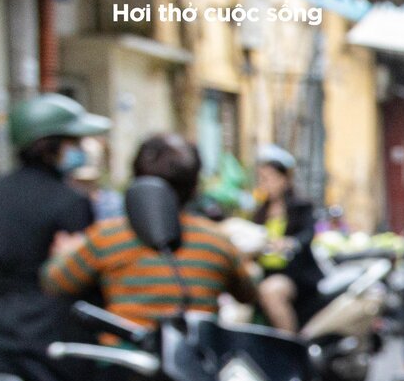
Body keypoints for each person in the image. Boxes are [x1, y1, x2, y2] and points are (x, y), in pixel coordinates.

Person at [43, 133, 257, 332]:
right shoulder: (216, 240)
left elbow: (55, 283)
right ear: (194, 187)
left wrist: (65, 252)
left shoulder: (107, 237)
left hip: (125, 360)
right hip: (194, 360)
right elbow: (247, 292)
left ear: (137, 183)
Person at [0, 94, 110, 357]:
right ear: (50, 146)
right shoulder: (70, 201)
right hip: (50, 336)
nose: (82, 149)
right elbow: (83, 275)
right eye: (75, 142)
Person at [249, 145, 324, 332]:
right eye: (262, 179)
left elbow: (307, 235)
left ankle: (290, 345)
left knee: (271, 292)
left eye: (270, 178)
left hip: (295, 275)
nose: (265, 183)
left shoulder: (300, 207)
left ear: (284, 179)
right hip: (266, 273)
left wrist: (290, 243)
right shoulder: (259, 211)